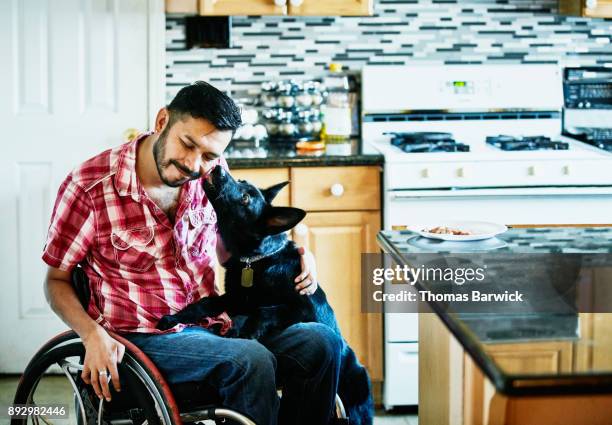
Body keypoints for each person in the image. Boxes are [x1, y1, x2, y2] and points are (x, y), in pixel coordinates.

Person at [42, 81, 343, 425]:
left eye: (210, 156)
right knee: (251, 359)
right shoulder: (90, 186)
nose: (194, 165)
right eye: (188, 144)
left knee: (321, 342)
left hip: (213, 327)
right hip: (143, 340)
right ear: (161, 122)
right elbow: (55, 280)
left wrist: (299, 251)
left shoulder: (211, 173)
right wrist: (90, 333)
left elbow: (248, 230)